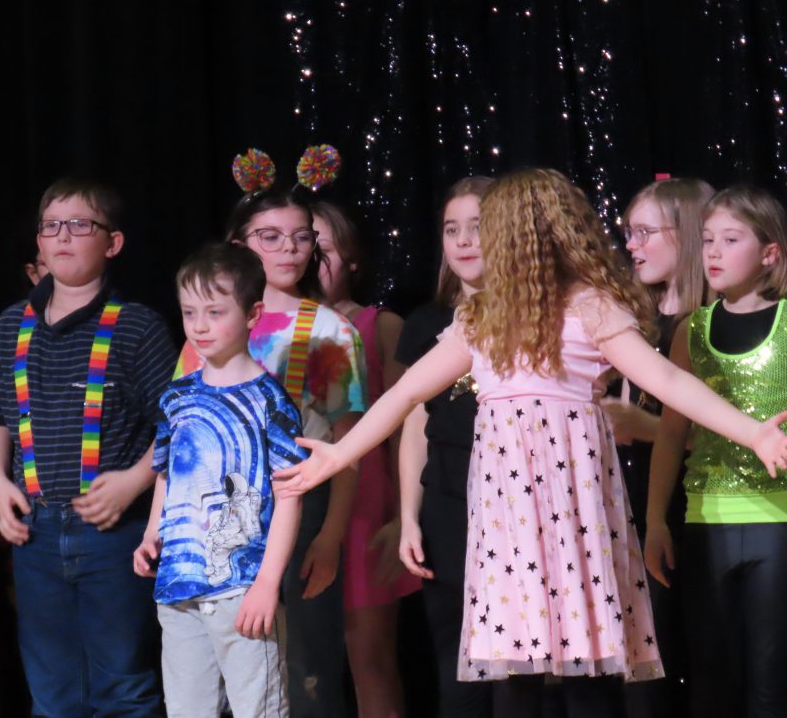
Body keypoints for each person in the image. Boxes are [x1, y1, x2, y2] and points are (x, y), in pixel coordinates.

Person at [274, 168, 787, 718]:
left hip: (575, 517)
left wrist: (752, 431)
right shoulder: (482, 319)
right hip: (509, 524)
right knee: (515, 668)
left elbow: (667, 382)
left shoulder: (591, 307)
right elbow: (406, 395)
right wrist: (339, 453)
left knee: (588, 667)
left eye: (492, 229)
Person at [0, 178, 175, 717]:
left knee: (124, 686)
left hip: (114, 536)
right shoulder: (12, 324)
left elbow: (180, 427)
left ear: (112, 243)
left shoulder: (137, 327)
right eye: (51, 226)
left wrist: (134, 479)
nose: (63, 236)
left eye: (80, 224)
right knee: (53, 691)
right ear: (38, 242)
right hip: (35, 535)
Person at [175, 147, 366, 716]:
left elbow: (346, 443)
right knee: (217, 678)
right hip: (214, 525)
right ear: (240, 245)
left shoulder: (329, 331)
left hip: (297, 515)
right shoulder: (207, 327)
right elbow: (180, 437)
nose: (289, 249)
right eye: (271, 236)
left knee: (301, 671)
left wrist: (330, 537)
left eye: (302, 237)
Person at [134, 242, 304, 717]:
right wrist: (152, 534)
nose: (200, 325)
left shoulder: (269, 401)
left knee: (260, 708)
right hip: (180, 588)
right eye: (190, 312)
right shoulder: (177, 397)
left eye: (215, 311)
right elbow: (168, 473)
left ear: (253, 314)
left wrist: (268, 581)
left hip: (243, 591)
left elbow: (289, 495)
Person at [645, 185, 787, 718]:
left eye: (730, 240)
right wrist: (656, 521)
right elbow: (670, 433)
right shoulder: (692, 331)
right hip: (705, 523)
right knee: (711, 682)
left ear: (769, 252)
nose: (713, 253)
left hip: (778, 524)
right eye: (706, 240)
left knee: (771, 685)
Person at [603, 177, 712, 717]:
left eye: (644, 231)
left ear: (688, 234)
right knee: (641, 676)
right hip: (628, 515)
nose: (631, 245)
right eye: (628, 232)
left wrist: (643, 427)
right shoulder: (629, 325)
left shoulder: (712, 328)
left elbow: (731, 438)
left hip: (693, 515)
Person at [312, 198, 420, 717]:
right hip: (298, 503)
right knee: (301, 662)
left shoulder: (380, 325)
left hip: (365, 507)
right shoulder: (268, 325)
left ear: (351, 259)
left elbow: (405, 431)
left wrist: (404, 514)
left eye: (322, 248)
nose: (310, 260)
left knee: (369, 659)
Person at [395, 175, 494, 717]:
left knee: (523, 669)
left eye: (476, 228)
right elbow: (414, 425)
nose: (462, 241)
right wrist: (409, 517)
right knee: (458, 668)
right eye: (451, 229)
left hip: (515, 508)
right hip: (448, 507)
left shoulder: (538, 318)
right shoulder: (428, 323)